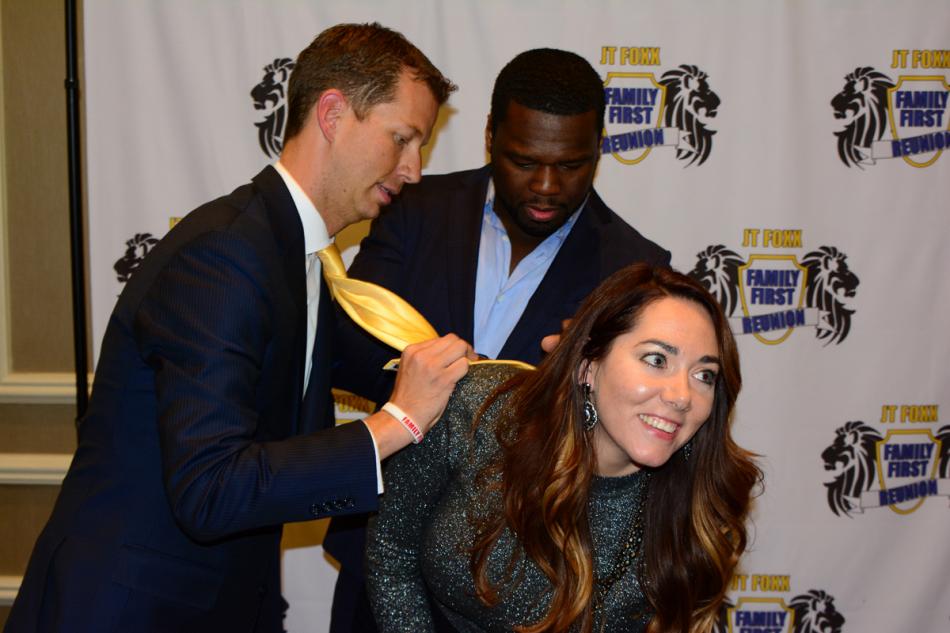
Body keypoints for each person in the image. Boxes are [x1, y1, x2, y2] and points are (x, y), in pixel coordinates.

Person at [5, 23, 473, 633]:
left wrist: (557, 372)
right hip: (130, 612)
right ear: (333, 114)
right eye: (402, 139)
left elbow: (388, 369)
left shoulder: (297, 256)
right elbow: (212, 490)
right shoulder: (225, 256)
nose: (413, 169)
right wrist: (396, 423)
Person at [327, 48, 670, 631]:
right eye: (523, 160)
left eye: (571, 165)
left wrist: (584, 388)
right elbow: (347, 346)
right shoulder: (414, 206)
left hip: (525, 583)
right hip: (381, 547)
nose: (546, 185)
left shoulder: (635, 270)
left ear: (598, 149)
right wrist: (459, 382)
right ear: (490, 135)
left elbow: (639, 446)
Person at [366, 264, 762, 633]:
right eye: (656, 359)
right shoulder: (479, 409)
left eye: (704, 375)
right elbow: (392, 550)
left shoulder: (700, 505)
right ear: (588, 364)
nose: (682, 396)